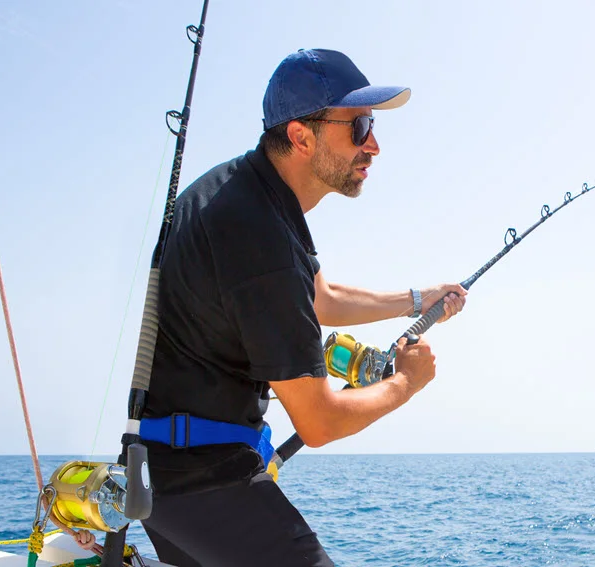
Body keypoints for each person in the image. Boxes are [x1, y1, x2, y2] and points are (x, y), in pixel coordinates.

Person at [135, 48, 468, 566]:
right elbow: (319, 421)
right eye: (358, 126)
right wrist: (405, 382)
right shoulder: (262, 239)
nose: (374, 145)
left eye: (372, 123)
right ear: (300, 136)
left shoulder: (240, 191)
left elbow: (321, 299)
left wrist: (418, 301)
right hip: (209, 486)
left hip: (159, 481)